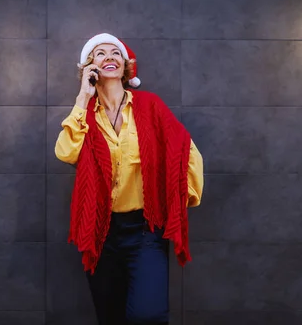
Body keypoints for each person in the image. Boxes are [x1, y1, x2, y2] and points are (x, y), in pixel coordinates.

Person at [54, 33, 204, 325]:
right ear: (89, 67)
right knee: (110, 316)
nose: (109, 57)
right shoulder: (84, 114)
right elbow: (65, 152)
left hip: (145, 229)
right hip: (100, 231)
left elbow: (186, 150)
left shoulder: (149, 105)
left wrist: (177, 198)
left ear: (125, 67)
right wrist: (83, 97)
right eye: (100, 53)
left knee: (148, 314)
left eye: (115, 53)